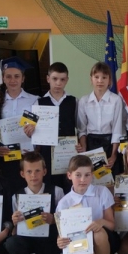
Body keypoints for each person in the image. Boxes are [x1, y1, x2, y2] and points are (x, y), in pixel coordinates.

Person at [56, 155, 120, 254]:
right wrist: (60, 241)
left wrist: (101, 222)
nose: (83, 179)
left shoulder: (102, 192)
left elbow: (111, 225)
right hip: (81, 242)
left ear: (92, 175)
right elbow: (62, 234)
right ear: (69, 175)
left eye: (87, 175)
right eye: (78, 175)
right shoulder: (64, 203)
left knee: (98, 233)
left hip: (107, 240)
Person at [5, 152, 64, 254]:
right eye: (29, 171)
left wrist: (53, 219)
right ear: (22, 174)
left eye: (37, 171)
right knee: (11, 243)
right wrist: (14, 221)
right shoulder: (17, 196)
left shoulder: (57, 191)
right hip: (28, 239)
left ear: (44, 171)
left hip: (49, 241)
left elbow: (65, 220)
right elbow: (14, 230)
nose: (33, 175)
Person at [0, 56, 39, 192]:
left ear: (23, 78)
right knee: (8, 192)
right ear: (3, 78)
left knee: (27, 192)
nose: (12, 80)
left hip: (28, 155)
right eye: (8, 76)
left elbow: (43, 129)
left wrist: (35, 130)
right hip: (5, 156)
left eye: (17, 76)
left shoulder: (35, 101)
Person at [37, 62, 81, 192]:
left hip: (69, 151)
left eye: (62, 79)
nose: (58, 83)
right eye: (54, 79)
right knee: (49, 186)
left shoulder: (74, 101)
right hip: (47, 153)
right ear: (48, 79)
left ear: (67, 80)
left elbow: (80, 127)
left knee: (69, 184)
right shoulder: (38, 102)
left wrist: (80, 143)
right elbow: (32, 130)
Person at [77, 62, 124, 174]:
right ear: (91, 79)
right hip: (90, 144)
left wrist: (113, 155)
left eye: (104, 77)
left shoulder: (116, 100)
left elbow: (117, 130)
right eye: (96, 77)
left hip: (110, 144)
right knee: (92, 177)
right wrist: (84, 148)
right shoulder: (84, 101)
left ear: (109, 80)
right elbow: (81, 129)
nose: (100, 81)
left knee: (111, 177)